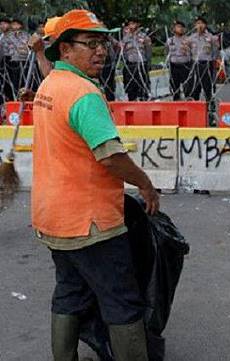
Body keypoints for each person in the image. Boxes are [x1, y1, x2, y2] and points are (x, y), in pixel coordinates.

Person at [34, 9, 160, 360]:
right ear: (65, 50)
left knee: (69, 293)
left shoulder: (51, 85)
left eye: (103, 42)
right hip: (91, 222)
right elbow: (109, 156)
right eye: (90, 43)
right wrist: (146, 184)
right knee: (121, 300)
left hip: (53, 217)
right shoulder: (83, 94)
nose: (101, 50)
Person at [186, 16, 220, 103]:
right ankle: (196, 107)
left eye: (202, 23)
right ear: (195, 25)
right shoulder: (191, 38)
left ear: (205, 25)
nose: (200, 25)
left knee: (208, 87)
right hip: (195, 64)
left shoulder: (211, 37)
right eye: (198, 23)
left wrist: (214, 61)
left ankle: (210, 108)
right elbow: (187, 51)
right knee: (195, 87)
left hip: (207, 64)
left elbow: (216, 50)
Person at [121, 18, 151, 101]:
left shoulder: (144, 37)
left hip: (141, 65)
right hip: (130, 65)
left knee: (143, 87)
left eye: (133, 23)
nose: (131, 26)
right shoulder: (125, 38)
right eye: (130, 24)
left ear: (138, 24)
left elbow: (148, 51)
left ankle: (144, 103)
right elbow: (123, 52)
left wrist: (148, 64)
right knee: (131, 88)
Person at [166, 20, 192, 100]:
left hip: (185, 66)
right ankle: (176, 103)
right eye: (177, 27)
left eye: (181, 27)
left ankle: (188, 104)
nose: (180, 29)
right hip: (174, 66)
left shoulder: (188, 40)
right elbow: (166, 52)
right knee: (174, 88)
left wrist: (187, 49)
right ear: (173, 29)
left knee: (187, 88)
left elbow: (193, 53)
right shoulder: (170, 41)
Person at [5, 19, 30, 101]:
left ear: (21, 25)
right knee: (15, 81)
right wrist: (20, 47)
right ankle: (15, 98)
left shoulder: (26, 35)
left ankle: (26, 97)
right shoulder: (8, 36)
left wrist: (22, 47)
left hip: (25, 60)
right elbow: (9, 48)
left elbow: (27, 47)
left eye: (17, 24)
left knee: (25, 80)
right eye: (13, 24)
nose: (15, 26)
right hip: (14, 61)